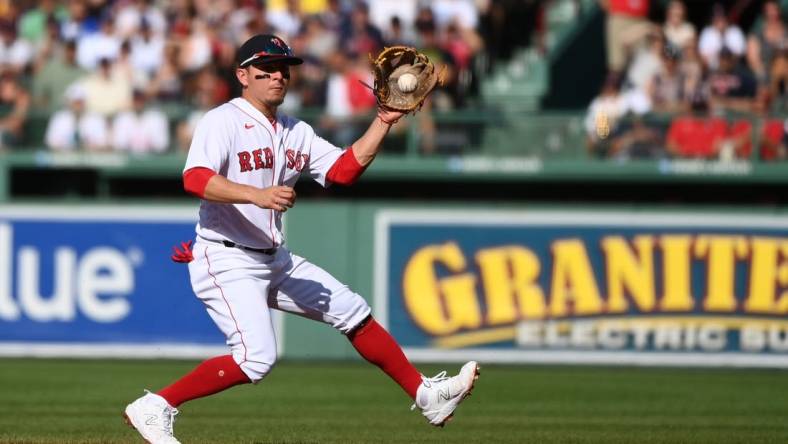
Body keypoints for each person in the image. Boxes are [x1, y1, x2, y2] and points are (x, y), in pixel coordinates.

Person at [123, 34, 479, 444]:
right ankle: (157, 406)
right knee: (256, 358)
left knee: (352, 310)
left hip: (273, 258)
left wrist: (381, 122)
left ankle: (425, 395)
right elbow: (195, 178)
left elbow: (343, 171)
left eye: (283, 69)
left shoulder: (296, 130)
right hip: (226, 258)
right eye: (266, 69)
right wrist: (256, 194)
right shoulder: (221, 121)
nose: (277, 76)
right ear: (243, 75)